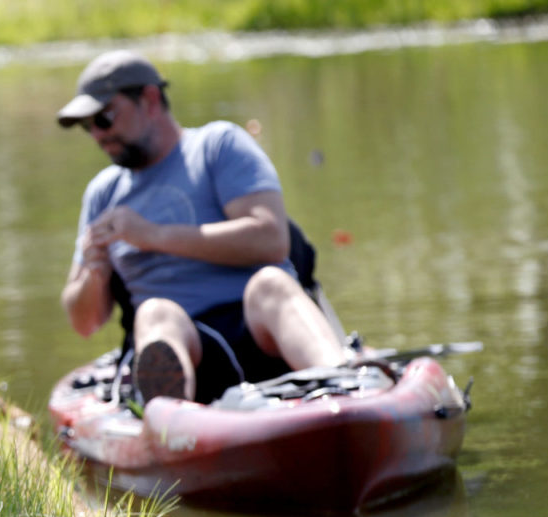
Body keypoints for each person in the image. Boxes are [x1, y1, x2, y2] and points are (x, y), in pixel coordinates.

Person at [57, 50, 352, 404]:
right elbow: (84, 323)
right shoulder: (103, 194)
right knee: (156, 312)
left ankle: (347, 391)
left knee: (271, 284)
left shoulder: (217, 147)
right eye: (88, 126)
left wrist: (152, 236)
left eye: (104, 118)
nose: (97, 135)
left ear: (150, 99)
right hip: (184, 346)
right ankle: (167, 418)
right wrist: (95, 272)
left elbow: (271, 240)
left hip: (261, 331)